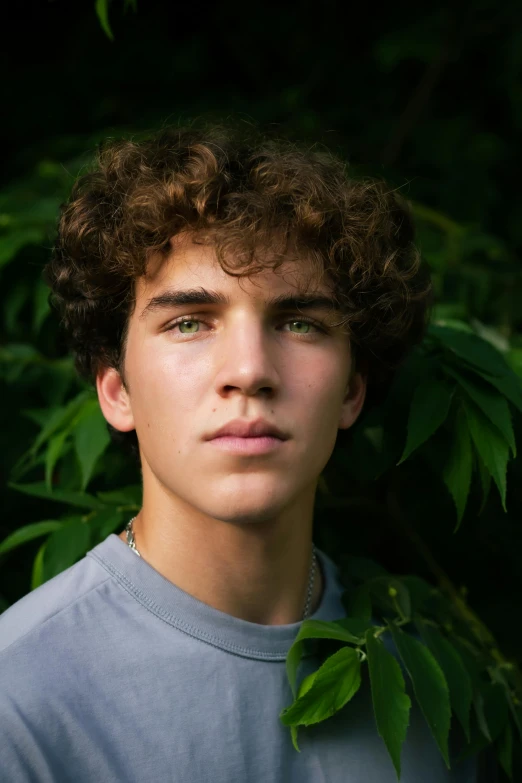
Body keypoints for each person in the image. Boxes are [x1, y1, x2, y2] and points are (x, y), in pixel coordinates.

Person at [0, 122, 475, 781]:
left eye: (299, 321)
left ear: (351, 391)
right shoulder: (18, 701)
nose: (250, 369)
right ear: (117, 389)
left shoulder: (435, 689)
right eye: (189, 322)